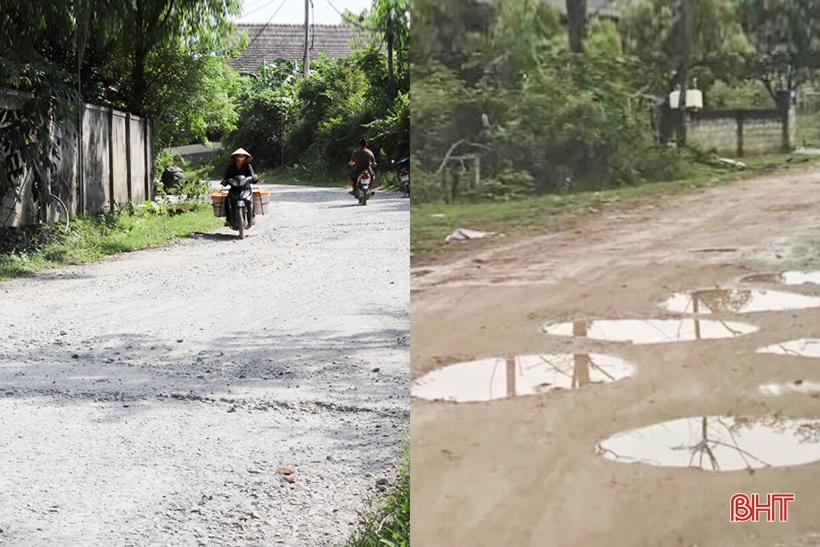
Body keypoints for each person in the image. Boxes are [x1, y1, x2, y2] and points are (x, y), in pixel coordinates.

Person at [221, 148, 258, 226]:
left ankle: (252, 217)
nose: (241, 158)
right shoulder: (231, 167)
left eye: (243, 156)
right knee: (227, 200)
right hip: (234, 188)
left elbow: (252, 177)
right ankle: (228, 219)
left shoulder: (248, 166)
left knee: (251, 198)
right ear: (235, 157)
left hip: (245, 188)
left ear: (245, 158)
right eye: (239, 156)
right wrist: (225, 181)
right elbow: (226, 177)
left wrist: (254, 178)